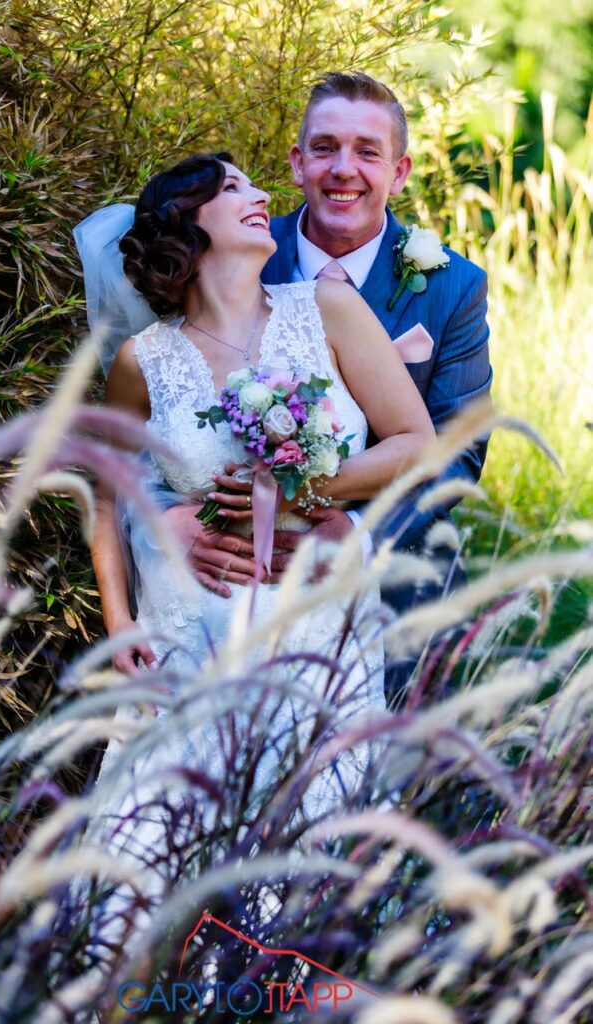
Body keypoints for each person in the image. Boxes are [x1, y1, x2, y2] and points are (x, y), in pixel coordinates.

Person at [85, 152, 434, 950]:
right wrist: (116, 627)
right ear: (186, 221)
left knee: (306, 832)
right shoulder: (147, 361)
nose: (260, 197)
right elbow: (109, 495)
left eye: (252, 183)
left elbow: (414, 441)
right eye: (233, 189)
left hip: (310, 619)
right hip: (187, 636)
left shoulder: (329, 312)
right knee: (162, 845)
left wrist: (312, 491)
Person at [74, 72, 492, 703]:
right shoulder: (238, 262)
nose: (343, 169)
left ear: (399, 172)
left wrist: (344, 525)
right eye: (324, 148)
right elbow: (131, 477)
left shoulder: (449, 288)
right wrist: (168, 530)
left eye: (367, 152)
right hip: (203, 619)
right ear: (299, 162)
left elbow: (450, 450)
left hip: (377, 581)